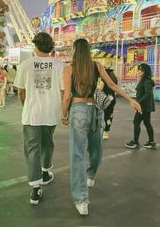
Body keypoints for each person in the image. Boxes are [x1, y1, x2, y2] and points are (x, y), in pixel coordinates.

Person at [62, 38, 141, 216]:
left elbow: (67, 96)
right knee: (96, 149)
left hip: (78, 110)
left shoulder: (69, 68)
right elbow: (112, 85)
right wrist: (130, 99)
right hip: (96, 111)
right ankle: (91, 175)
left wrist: (64, 114)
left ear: (74, 49)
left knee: (77, 155)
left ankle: (82, 200)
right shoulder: (96, 65)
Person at [14, 32, 64, 205]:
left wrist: (26, 104)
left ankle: (36, 188)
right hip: (51, 112)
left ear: (35, 46)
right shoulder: (60, 65)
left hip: (31, 113)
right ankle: (45, 170)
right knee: (48, 142)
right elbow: (64, 91)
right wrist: (64, 111)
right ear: (51, 47)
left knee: (32, 148)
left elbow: (21, 91)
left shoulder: (25, 65)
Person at [125, 63, 156, 150]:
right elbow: (144, 93)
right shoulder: (145, 80)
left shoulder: (146, 81)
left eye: (140, 70)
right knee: (147, 123)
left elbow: (148, 93)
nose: (138, 71)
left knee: (136, 122)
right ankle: (151, 142)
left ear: (145, 72)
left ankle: (135, 142)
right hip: (145, 106)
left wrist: (138, 102)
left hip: (143, 107)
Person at [99, 68, 118, 140]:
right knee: (109, 115)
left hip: (105, 98)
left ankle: (101, 130)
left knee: (102, 115)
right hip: (112, 98)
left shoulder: (104, 79)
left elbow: (100, 89)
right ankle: (106, 131)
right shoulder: (114, 79)